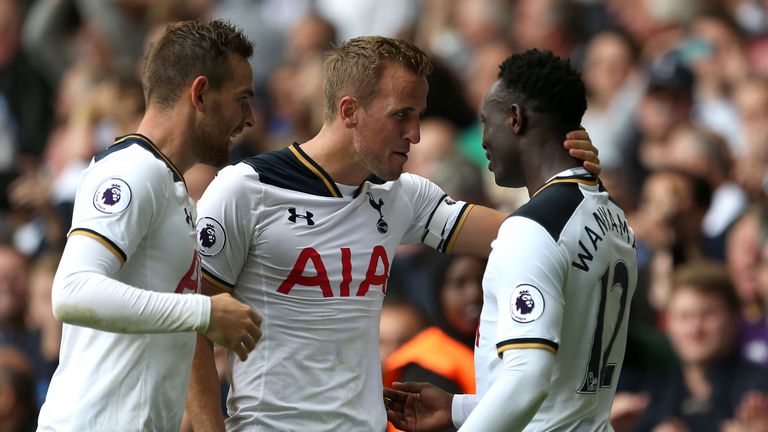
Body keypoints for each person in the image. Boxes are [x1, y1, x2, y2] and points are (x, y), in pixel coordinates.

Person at [187, 37, 600, 431]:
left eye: (419, 116)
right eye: (401, 115)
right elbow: (190, 330)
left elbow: (533, 234)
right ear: (350, 111)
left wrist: (571, 182)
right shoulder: (245, 189)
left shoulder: (403, 196)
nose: (415, 134)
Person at [384, 49, 638, 431]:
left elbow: (527, 379)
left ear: (515, 118)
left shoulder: (530, 229)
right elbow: (560, 393)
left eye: (486, 122)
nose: (483, 139)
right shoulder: (615, 218)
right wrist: (458, 409)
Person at [36, 20, 262, 431]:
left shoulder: (168, 184)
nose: (249, 118)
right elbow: (71, 292)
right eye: (241, 99)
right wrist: (205, 311)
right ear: (200, 93)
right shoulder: (133, 170)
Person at [633, 263, 768, 432]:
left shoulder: (760, 391)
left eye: (708, 314)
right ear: (668, 324)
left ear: (735, 319)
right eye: (684, 316)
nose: (695, 329)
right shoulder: (650, 397)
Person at [383, 255, 485, 432]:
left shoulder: (503, 348)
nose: (474, 293)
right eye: (459, 284)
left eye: (482, 281)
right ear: (438, 293)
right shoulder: (425, 364)